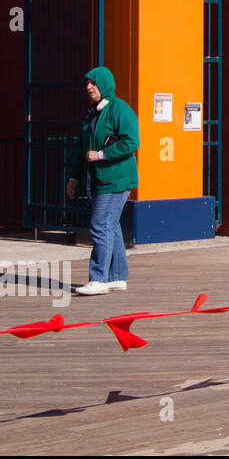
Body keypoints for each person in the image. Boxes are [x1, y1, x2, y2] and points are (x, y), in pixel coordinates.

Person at [65, 66, 139, 295]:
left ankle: (98, 279)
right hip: (98, 179)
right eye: (87, 83)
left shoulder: (119, 110)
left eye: (93, 84)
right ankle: (117, 277)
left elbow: (131, 141)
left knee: (99, 225)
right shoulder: (91, 116)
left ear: (105, 85)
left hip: (116, 179)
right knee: (111, 225)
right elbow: (81, 149)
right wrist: (73, 177)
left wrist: (102, 154)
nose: (88, 87)